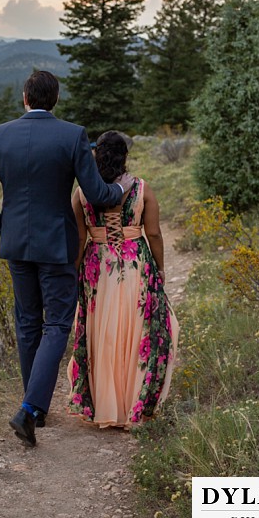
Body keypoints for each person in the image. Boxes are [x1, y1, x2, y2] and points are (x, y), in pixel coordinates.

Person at [0, 70, 132, 447]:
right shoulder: (72, 135)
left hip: (17, 243)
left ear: (26, 97)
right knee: (56, 324)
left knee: (26, 323)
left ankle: (34, 409)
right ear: (54, 100)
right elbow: (97, 193)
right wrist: (121, 187)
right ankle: (29, 409)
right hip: (56, 244)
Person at [67, 130, 178, 429]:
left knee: (102, 333)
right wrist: (160, 267)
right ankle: (134, 403)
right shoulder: (142, 188)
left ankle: (104, 402)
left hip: (97, 266)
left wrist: (75, 271)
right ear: (125, 156)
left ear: (96, 156)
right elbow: (153, 233)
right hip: (135, 266)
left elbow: (79, 237)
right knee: (135, 331)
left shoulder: (82, 192)